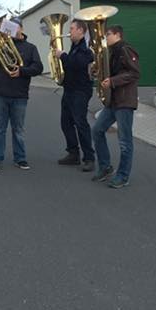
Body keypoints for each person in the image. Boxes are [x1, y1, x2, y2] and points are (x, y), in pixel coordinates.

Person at [0, 17, 44, 171]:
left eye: (15, 27)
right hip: (0, 92)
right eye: (10, 27)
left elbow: (38, 68)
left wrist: (21, 71)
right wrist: (0, 42)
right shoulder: (2, 44)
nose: (13, 29)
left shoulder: (31, 48)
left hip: (20, 94)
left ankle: (20, 158)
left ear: (21, 29)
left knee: (18, 130)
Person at [91, 25, 141, 189]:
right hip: (112, 101)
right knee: (97, 130)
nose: (105, 37)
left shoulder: (126, 49)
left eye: (108, 34)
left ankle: (123, 176)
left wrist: (113, 81)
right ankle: (105, 167)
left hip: (124, 101)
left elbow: (135, 73)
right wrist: (96, 71)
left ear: (118, 34)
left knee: (124, 141)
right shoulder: (110, 52)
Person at [58, 18, 96, 172]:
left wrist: (62, 56)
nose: (69, 32)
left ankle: (89, 158)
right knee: (65, 122)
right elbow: (70, 67)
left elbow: (77, 64)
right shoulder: (74, 47)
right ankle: (73, 153)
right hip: (69, 90)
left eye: (72, 29)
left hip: (80, 91)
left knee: (80, 123)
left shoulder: (86, 48)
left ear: (81, 31)